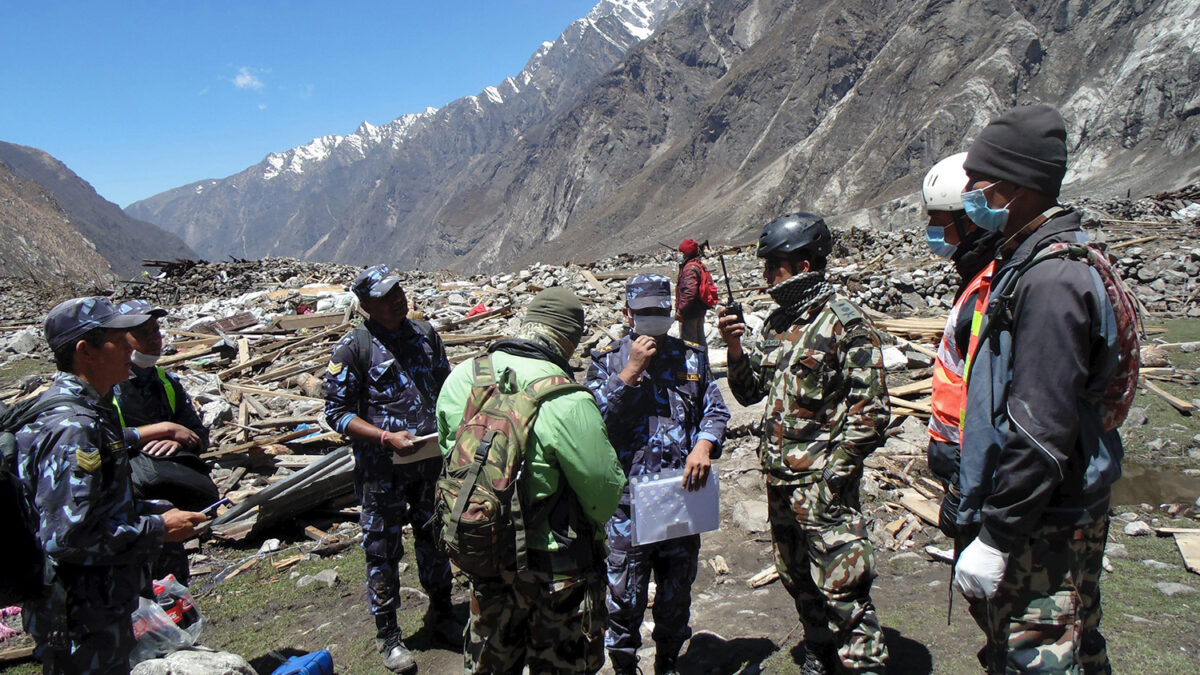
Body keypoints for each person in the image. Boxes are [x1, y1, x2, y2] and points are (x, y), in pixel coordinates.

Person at [952, 104, 1127, 673]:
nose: (971, 194)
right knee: (1077, 645)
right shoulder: (1036, 261)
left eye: (978, 183)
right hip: (1047, 508)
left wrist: (998, 536)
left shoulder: (1051, 280)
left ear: (1013, 186)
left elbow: (1040, 427)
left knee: (1043, 656)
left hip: (1045, 520)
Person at [718, 213, 890, 675]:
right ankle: (819, 650)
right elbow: (750, 392)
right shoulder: (777, 324)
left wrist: (835, 475)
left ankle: (864, 664)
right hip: (779, 480)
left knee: (843, 584)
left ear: (806, 263)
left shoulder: (845, 325)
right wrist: (735, 347)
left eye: (775, 263)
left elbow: (872, 412)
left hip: (822, 485)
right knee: (797, 577)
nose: (767, 274)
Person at [437, 287, 626, 674]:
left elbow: (447, 451)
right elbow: (604, 494)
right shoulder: (568, 398)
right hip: (555, 569)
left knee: (493, 662)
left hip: (486, 550)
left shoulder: (461, 378)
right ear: (570, 338)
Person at [16, 297, 205, 673]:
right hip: (80, 614)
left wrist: (153, 511)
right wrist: (156, 530)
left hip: (100, 605)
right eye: (120, 339)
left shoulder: (89, 412)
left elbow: (93, 507)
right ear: (87, 352)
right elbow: (67, 536)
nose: (130, 347)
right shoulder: (73, 427)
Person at [585, 274, 730, 675]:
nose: (653, 319)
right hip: (628, 503)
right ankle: (624, 665)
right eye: (644, 312)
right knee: (624, 596)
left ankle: (668, 660)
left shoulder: (691, 357)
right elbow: (593, 421)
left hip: (682, 496)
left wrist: (704, 445)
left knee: (675, 590)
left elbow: (714, 411)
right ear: (627, 313)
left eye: (660, 312)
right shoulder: (605, 361)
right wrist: (630, 372)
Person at [323, 265, 456, 674]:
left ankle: (442, 613)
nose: (398, 298)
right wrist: (383, 437)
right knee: (382, 550)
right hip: (383, 474)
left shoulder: (425, 336)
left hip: (429, 464)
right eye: (385, 295)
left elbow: (446, 386)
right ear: (365, 306)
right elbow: (337, 414)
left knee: (435, 539)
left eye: (398, 289)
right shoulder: (353, 349)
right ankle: (389, 635)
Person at [921, 153, 1004, 533]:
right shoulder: (976, 276)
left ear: (966, 217)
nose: (932, 230)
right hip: (962, 463)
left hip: (973, 470)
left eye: (938, 220)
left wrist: (964, 482)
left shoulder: (988, 287)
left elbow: (986, 395)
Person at [113, 299, 217, 585]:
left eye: (156, 329)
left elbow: (199, 434)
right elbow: (96, 442)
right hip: (125, 507)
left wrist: (181, 443)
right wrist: (162, 430)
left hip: (167, 503)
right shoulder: (108, 388)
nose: (154, 339)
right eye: (142, 332)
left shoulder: (167, 382)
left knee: (171, 585)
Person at [675, 239, 715, 346]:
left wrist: (681, 311)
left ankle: (694, 362)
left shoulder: (689, 269)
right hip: (698, 309)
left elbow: (689, 293)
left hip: (690, 312)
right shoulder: (697, 265)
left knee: (689, 343)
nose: (679, 254)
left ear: (686, 253)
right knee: (700, 340)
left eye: (681, 252)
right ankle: (703, 361)